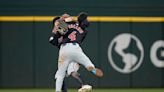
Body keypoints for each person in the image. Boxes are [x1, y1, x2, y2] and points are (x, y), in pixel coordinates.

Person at [50, 12, 103, 92]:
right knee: (87, 62)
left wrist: (61, 21)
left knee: (60, 74)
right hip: (75, 48)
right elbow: (76, 25)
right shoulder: (84, 31)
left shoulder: (67, 23)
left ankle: (57, 91)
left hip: (64, 48)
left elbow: (57, 34)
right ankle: (92, 68)